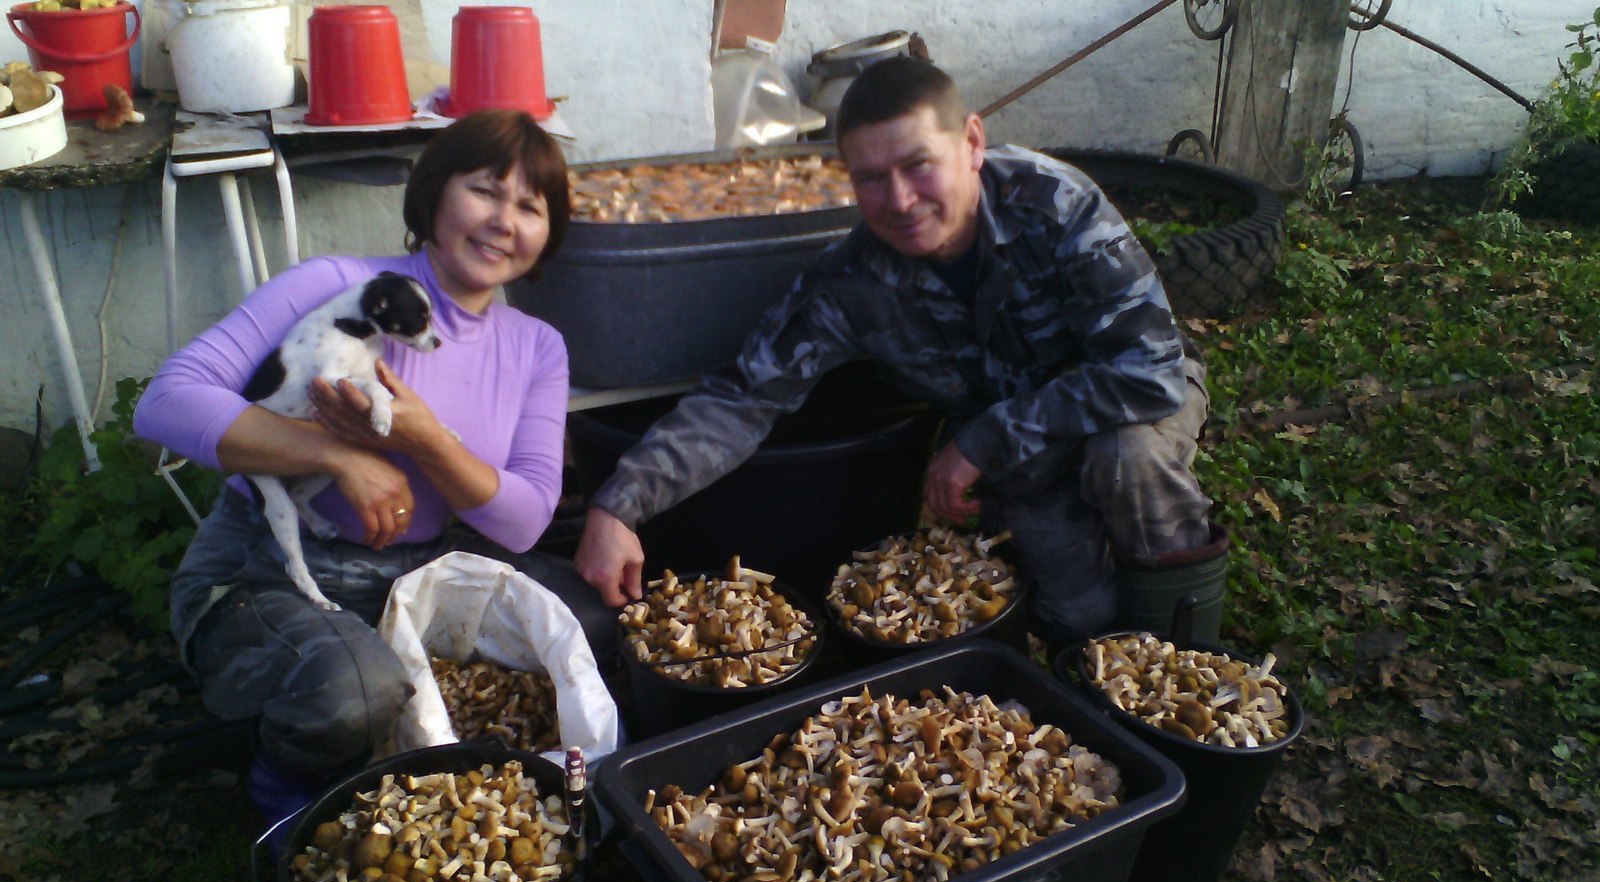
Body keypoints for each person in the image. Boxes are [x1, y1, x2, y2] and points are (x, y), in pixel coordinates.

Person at [574, 58, 1225, 646]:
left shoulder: (1056, 205)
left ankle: (1187, 652)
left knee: (1125, 458)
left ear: (971, 143)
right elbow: (743, 400)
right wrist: (618, 505)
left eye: (918, 166)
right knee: (1079, 621)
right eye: (871, 180)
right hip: (1026, 458)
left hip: (1125, 408)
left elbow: (1148, 372)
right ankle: (1108, 659)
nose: (901, 201)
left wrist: (981, 442)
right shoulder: (853, 279)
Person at [134, 110, 611, 832]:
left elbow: (522, 520)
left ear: (549, 233)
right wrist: (337, 453)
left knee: (596, 625)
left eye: (530, 207)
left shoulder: (535, 346)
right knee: (350, 696)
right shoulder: (337, 286)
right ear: (433, 196)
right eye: (484, 190)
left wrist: (423, 442)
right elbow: (166, 404)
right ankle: (285, 795)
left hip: (420, 564)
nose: (502, 221)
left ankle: (460, 763)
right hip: (270, 558)